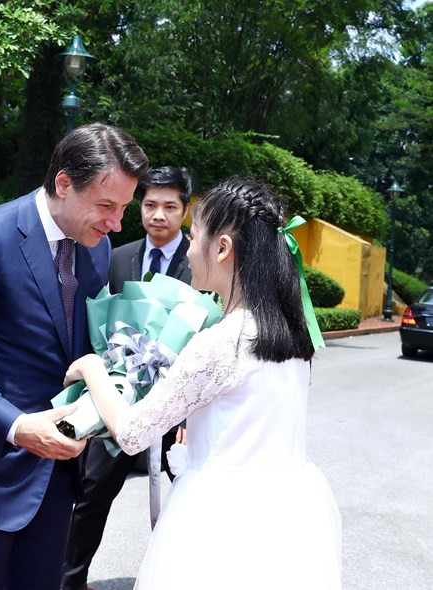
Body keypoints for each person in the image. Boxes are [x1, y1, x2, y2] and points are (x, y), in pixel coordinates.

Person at [64, 178, 342, 589]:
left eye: (195, 237)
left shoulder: (220, 342)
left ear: (223, 248)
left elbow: (133, 432)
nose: (190, 249)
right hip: (288, 514)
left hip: (220, 518)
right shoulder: (295, 335)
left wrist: (92, 367)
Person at [0, 123, 150, 589]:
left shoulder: (97, 249)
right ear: (64, 183)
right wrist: (16, 426)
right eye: (106, 206)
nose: (116, 223)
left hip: (59, 479)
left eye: (124, 208)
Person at [62, 165, 193, 590]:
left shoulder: (200, 260)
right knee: (93, 492)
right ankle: (70, 580)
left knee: (191, 493)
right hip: (118, 402)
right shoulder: (116, 257)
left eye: (169, 206)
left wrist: (188, 418)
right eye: (150, 204)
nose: (158, 215)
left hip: (177, 405)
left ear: (185, 211)